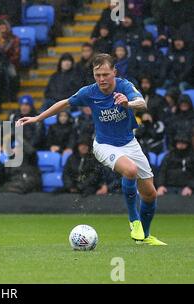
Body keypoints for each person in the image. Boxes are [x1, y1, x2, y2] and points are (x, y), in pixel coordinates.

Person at [17, 53, 166, 245]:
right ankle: (133, 220)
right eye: (98, 75)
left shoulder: (124, 86)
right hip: (104, 145)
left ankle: (144, 237)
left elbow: (142, 103)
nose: (102, 79)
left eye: (105, 74)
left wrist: (127, 103)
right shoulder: (89, 92)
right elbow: (64, 103)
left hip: (130, 144)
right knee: (130, 170)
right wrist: (38, 118)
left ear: (114, 72)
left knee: (150, 194)